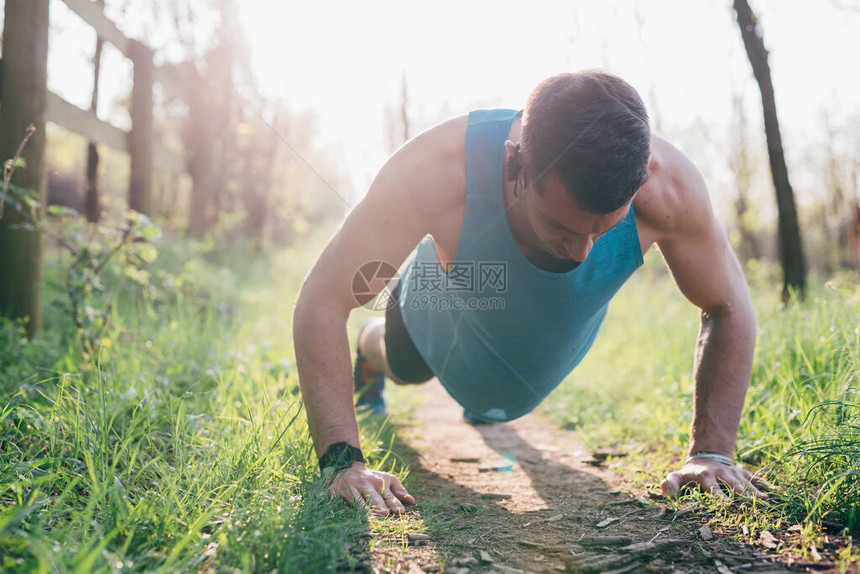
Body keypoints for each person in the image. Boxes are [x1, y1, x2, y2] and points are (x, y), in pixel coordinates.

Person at [293, 70, 770, 517]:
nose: (583, 254)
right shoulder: (436, 172)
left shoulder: (669, 190)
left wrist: (711, 452)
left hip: (528, 344)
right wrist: (342, 460)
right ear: (513, 161)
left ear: (642, 176)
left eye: (603, 229)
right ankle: (371, 350)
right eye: (560, 225)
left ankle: (482, 386)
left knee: (501, 383)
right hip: (450, 296)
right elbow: (324, 299)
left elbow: (727, 306)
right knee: (404, 365)